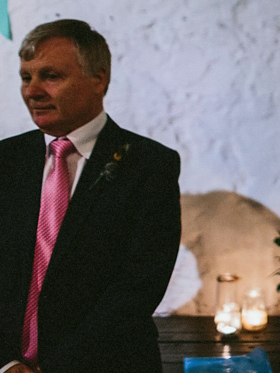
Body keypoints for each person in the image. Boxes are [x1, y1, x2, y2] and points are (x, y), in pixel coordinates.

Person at [0, 19, 181, 373]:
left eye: (50, 76)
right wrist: (6, 363)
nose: (32, 91)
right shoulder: (5, 161)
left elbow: (139, 284)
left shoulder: (148, 164)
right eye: (26, 77)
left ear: (99, 79)